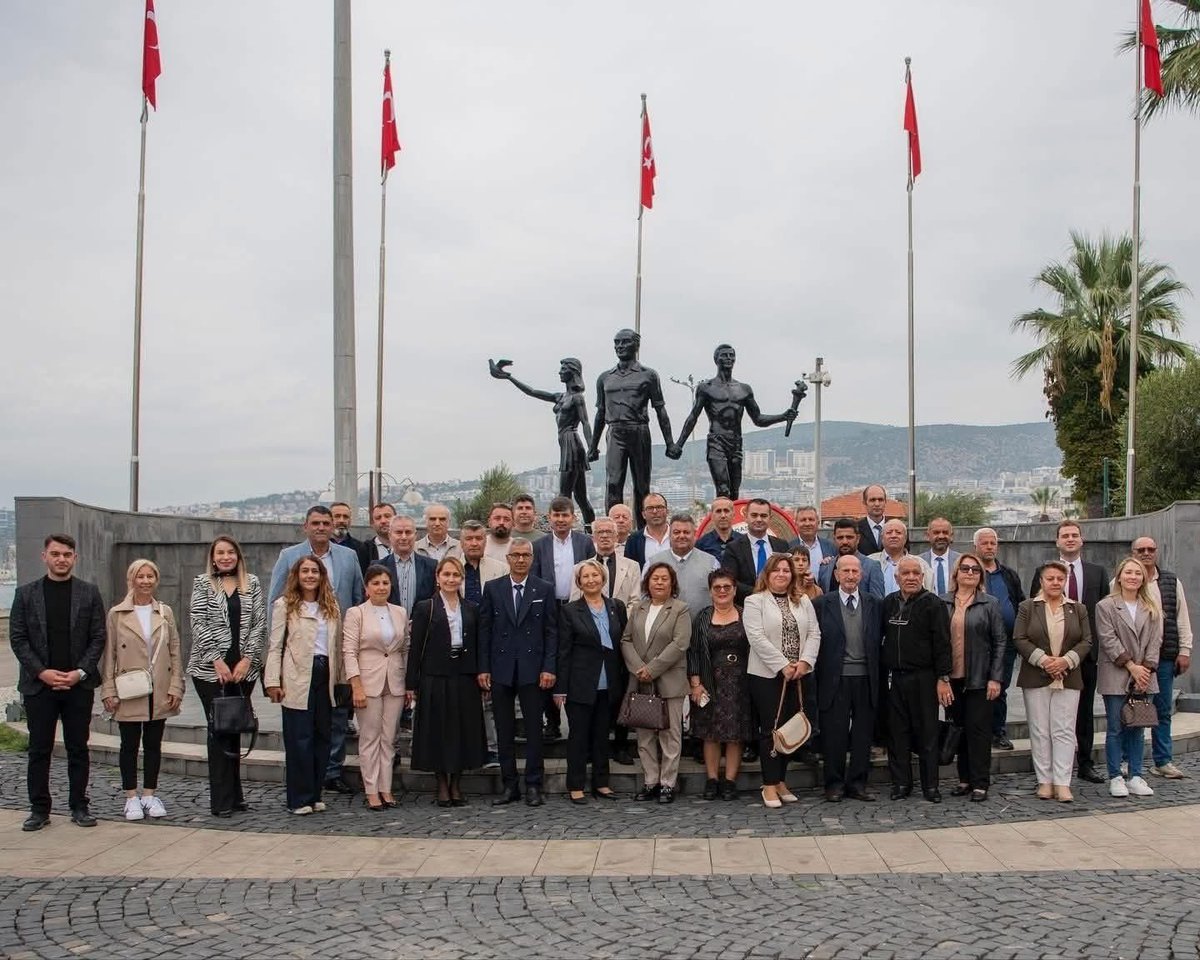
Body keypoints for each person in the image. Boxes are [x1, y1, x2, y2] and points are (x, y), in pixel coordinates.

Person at [10, 534, 107, 831]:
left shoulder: (89, 593)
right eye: (56, 554)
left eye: (67, 554)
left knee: (79, 747)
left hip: (78, 685)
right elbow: (18, 638)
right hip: (39, 686)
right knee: (39, 749)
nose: (61, 559)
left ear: (75, 558)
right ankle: (39, 809)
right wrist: (42, 672)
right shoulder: (26, 594)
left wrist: (80, 672)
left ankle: (79, 806)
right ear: (45, 556)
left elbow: (98, 637)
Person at [268, 504, 364, 796]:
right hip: (299, 654)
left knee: (334, 719)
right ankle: (304, 784)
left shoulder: (348, 557)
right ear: (305, 526)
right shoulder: (289, 556)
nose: (322, 528)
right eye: (316, 523)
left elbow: (358, 597)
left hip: (337, 649)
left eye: (326, 523)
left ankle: (330, 773)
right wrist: (273, 673)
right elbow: (275, 600)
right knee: (302, 726)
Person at [187, 535, 267, 818]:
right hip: (210, 670)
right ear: (212, 556)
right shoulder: (202, 583)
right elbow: (198, 622)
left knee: (235, 728)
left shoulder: (252, 583)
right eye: (220, 552)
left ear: (238, 555)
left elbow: (259, 623)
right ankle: (221, 800)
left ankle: (236, 796)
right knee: (218, 730)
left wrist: (247, 660)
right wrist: (217, 661)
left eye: (230, 552)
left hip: (244, 670)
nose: (225, 557)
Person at [101, 559, 184, 821]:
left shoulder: (165, 612)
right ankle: (131, 796)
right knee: (128, 745)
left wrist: (176, 686)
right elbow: (110, 654)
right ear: (131, 579)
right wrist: (108, 690)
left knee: (153, 744)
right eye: (141, 576)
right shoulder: (117, 614)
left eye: (150, 576)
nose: (146, 581)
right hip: (129, 687)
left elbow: (174, 651)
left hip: (158, 687)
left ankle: (149, 793)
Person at [478, 539, 558, 807]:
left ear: (532, 559)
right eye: (516, 555)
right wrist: (483, 668)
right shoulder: (493, 588)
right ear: (508, 558)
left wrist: (549, 667)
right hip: (500, 669)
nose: (521, 560)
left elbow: (551, 631)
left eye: (526, 555)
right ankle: (509, 785)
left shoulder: (544, 589)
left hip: (532, 669)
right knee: (504, 730)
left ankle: (534, 785)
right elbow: (485, 630)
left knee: (534, 730)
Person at [665, 343, 801, 499]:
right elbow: (693, 417)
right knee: (723, 490)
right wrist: (679, 444)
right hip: (716, 441)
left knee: (734, 493)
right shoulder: (706, 388)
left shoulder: (744, 389)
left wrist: (783, 416)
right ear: (716, 359)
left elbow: (758, 419)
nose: (729, 359)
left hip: (736, 442)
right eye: (724, 355)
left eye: (731, 355)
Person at [265, 556, 345, 815]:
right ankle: (298, 798)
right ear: (297, 575)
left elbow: (338, 648)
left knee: (323, 736)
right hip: (297, 676)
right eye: (305, 571)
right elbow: (275, 645)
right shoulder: (284, 605)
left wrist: (341, 681)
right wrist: (272, 681)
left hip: (325, 675)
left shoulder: (331, 606)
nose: (310, 575)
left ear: (322, 576)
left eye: (315, 571)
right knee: (300, 738)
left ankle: (315, 793)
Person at [1030, 521, 1107, 784]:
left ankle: (1084, 763)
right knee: (1047, 717)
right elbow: (1032, 615)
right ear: (1057, 541)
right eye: (1065, 535)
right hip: (1048, 659)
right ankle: (1048, 770)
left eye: (1075, 535)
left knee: (1083, 712)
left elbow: (1103, 614)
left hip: (1084, 655)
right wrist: (1047, 657)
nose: (1070, 539)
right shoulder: (1043, 573)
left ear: (1082, 540)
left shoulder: (1097, 573)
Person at [408, 557, 486, 806]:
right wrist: (412, 684)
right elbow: (415, 647)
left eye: (456, 575)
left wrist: (481, 673)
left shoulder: (471, 608)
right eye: (447, 575)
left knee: (463, 730)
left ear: (462, 579)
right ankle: (442, 783)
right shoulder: (425, 607)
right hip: (435, 676)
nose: (451, 580)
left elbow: (478, 645)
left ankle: (457, 783)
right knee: (438, 730)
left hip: (464, 676)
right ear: (438, 577)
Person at [744, 553, 821, 808]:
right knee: (771, 729)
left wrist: (804, 662)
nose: (781, 574)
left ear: (793, 575)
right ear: (767, 574)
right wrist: (782, 665)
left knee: (791, 728)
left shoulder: (803, 601)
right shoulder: (754, 601)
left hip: (799, 674)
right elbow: (756, 637)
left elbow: (814, 633)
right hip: (767, 675)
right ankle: (768, 784)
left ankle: (780, 780)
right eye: (776, 570)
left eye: (786, 571)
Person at [1013, 560, 1091, 802]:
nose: (1055, 582)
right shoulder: (1028, 607)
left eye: (1060, 578)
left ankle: (1062, 782)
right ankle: (1044, 781)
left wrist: (1065, 661)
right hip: (1036, 675)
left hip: (1068, 676)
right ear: (1042, 581)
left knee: (1064, 731)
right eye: (1050, 578)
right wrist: (1045, 661)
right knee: (1039, 730)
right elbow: (1020, 637)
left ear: (1065, 581)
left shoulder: (1078, 608)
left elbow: (1087, 640)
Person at [489, 357, 597, 526]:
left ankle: (560, 527)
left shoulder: (577, 398)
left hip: (572, 444)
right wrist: (509, 378)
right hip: (566, 443)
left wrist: (592, 447)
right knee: (580, 496)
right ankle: (591, 528)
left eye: (563, 369)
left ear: (572, 372)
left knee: (565, 492)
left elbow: (586, 423)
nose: (560, 372)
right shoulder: (560, 397)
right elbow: (531, 391)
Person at [555, 559, 628, 803]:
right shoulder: (569, 611)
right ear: (579, 582)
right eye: (585, 577)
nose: (591, 580)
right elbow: (563, 651)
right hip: (580, 683)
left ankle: (602, 782)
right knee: (578, 737)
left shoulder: (616, 607)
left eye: (595, 575)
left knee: (601, 737)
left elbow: (622, 644)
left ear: (603, 578)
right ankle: (575, 785)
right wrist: (561, 688)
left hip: (610, 683)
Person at [587, 327, 677, 525]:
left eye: (625, 342)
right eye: (616, 343)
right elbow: (600, 413)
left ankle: (643, 531)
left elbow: (660, 410)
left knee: (642, 485)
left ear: (636, 345)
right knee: (613, 482)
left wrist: (670, 443)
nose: (620, 347)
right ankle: (610, 527)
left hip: (639, 431)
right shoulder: (604, 377)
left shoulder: (649, 375)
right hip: (615, 432)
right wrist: (593, 446)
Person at [813, 555, 884, 802]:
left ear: (862, 575)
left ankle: (858, 783)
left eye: (855, 571)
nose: (851, 575)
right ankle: (833, 784)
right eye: (846, 571)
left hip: (866, 678)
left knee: (863, 734)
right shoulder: (822, 604)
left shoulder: (875, 603)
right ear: (836, 575)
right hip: (835, 678)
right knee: (835, 734)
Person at [937, 553, 1006, 802]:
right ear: (955, 573)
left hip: (980, 678)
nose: (969, 573)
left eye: (975, 570)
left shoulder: (990, 603)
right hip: (951, 679)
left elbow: (1000, 642)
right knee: (958, 730)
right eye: (965, 568)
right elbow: (937, 644)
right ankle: (964, 779)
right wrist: (941, 678)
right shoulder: (942, 602)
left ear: (981, 576)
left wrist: (995, 678)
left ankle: (980, 783)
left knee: (979, 732)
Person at [882, 556, 952, 802]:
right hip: (896, 679)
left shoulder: (933, 604)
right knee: (897, 734)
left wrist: (943, 678)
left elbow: (943, 644)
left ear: (923, 577)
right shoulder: (888, 603)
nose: (911, 577)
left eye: (916, 573)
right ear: (896, 577)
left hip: (924, 677)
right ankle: (901, 783)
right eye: (906, 573)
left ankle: (930, 786)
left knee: (928, 735)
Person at [622, 561, 691, 804]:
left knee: (670, 735)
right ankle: (651, 781)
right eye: (655, 578)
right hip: (641, 680)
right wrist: (639, 668)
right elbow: (626, 639)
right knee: (645, 734)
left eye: (664, 578)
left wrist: (652, 669)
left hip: (669, 680)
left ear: (672, 583)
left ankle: (667, 784)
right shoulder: (639, 608)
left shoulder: (680, 609)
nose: (659, 582)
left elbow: (680, 644)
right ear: (647, 582)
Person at [343, 564, 409, 811]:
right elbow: (348, 651)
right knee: (370, 737)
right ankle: (371, 790)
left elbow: (405, 648)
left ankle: (386, 788)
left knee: (389, 738)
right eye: (376, 583)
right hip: (367, 681)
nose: (381, 587)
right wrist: (355, 684)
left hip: (394, 681)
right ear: (367, 588)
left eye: (385, 583)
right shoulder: (356, 613)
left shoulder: (400, 612)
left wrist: (407, 682)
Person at [1096, 557, 1162, 799]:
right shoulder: (1106, 606)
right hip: (1116, 674)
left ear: (1143, 578)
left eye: (1138, 573)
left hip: (1146, 676)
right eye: (1129, 572)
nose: (1133, 577)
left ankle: (1136, 775)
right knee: (1116, 728)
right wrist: (1131, 666)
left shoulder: (1152, 606)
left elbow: (1156, 641)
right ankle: (1115, 776)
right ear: (1120, 576)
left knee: (1138, 727)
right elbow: (1108, 639)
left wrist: (1145, 669)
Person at [532, 496, 595, 741]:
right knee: (549, 662)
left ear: (573, 518)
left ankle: (579, 721)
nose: (560, 520)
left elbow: (592, 575)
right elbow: (536, 580)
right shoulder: (539, 546)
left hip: (577, 607)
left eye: (565, 515)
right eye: (556, 515)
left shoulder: (584, 542)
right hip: (550, 609)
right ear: (549, 518)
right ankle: (552, 721)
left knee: (575, 662)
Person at [1131, 536, 1193, 779]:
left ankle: (1163, 760)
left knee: (1163, 710)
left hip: (1164, 657)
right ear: (1133, 552)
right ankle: (1127, 759)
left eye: (1151, 549)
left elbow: (1182, 617)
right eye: (1141, 549)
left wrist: (1185, 650)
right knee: (1131, 711)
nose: (1146, 553)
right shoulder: (1123, 579)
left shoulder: (1170, 581)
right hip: (1133, 661)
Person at [687, 568, 752, 800]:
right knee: (710, 733)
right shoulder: (703, 617)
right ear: (711, 591)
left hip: (740, 683)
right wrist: (695, 683)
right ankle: (712, 779)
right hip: (709, 682)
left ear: (734, 590)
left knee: (736, 733)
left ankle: (730, 781)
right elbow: (693, 652)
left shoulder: (747, 615)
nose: (722, 591)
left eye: (727, 587)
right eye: (717, 587)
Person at [458, 520, 508, 769]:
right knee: (463, 697)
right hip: (460, 639)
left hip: (491, 638)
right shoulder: (451, 568)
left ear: (485, 541)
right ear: (462, 542)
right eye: (469, 539)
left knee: (490, 696)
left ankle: (493, 748)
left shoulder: (500, 569)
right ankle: (466, 747)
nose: (474, 543)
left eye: (479, 538)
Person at [974, 527, 1026, 751]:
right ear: (975, 546)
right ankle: (977, 733)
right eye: (984, 543)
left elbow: (1020, 603)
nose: (989, 547)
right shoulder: (971, 572)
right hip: (976, 643)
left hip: (1005, 643)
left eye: (992, 543)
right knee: (977, 688)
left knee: (1000, 688)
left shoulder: (1008, 574)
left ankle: (999, 732)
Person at [722, 498, 790, 605]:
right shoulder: (733, 548)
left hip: (779, 607)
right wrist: (761, 593)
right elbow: (730, 580)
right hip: (746, 607)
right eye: (754, 515)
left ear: (770, 518)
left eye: (763, 516)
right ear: (746, 517)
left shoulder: (782, 546)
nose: (759, 519)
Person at [652, 514, 720, 613]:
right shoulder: (654, 563)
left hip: (703, 626)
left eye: (686, 532)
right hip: (665, 627)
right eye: (676, 532)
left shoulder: (712, 563)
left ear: (694, 534)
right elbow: (644, 596)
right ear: (669, 535)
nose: (682, 536)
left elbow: (720, 596)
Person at [574, 517, 640, 606]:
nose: (604, 536)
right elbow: (574, 603)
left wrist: (621, 619)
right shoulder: (579, 568)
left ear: (616, 537)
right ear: (593, 537)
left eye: (609, 532)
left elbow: (635, 601)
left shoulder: (632, 566)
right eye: (600, 532)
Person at [816, 518, 885, 598]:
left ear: (858, 539)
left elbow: (877, 602)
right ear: (834, 539)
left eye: (849, 537)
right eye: (840, 538)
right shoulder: (825, 567)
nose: (845, 542)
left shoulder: (872, 567)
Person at [382, 515, 437, 612]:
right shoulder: (379, 566)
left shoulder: (431, 566)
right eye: (399, 532)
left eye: (408, 532)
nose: (404, 537)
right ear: (390, 536)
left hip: (421, 625)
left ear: (415, 535)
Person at [870, 519, 932, 596]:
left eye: (898, 533)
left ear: (905, 538)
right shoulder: (870, 562)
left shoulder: (920, 564)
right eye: (889, 533)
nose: (893, 536)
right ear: (882, 538)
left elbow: (929, 591)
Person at [622, 492, 670, 567]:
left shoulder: (679, 536)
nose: (655, 511)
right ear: (643, 514)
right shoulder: (634, 540)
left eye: (659, 507)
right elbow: (629, 571)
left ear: (667, 511)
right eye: (650, 508)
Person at [696, 497, 744, 563]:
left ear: (733, 515)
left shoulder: (744, 542)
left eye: (726, 511)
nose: (723, 515)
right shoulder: (701, 544)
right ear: (712, 516)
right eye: (718, 511)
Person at [920, 518, 960, 597]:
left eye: (945, 532)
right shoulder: (918, 561)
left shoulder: (961, 561)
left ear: (951, 536)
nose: (941, 536)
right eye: (936, 532)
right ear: (928, 536)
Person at [789, 505, 833, 572]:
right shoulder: (788, 547)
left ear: (818, 522)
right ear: (796, 523)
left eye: (811, 519)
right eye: (803, 520)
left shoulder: (831, 547)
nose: (807, 523)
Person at [357, 501, 396, 574]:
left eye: (387, 516)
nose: (383, 521)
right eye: (378, 518)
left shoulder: (407, 547)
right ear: (372, 523)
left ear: (396, 519)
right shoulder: (364, 550)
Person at [855, 485, 890, 555]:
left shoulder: (896, 528)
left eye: (880, 500)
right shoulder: (856, 529)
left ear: (885, 502)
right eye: (872, 500)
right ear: (864, 503)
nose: (877, 504)